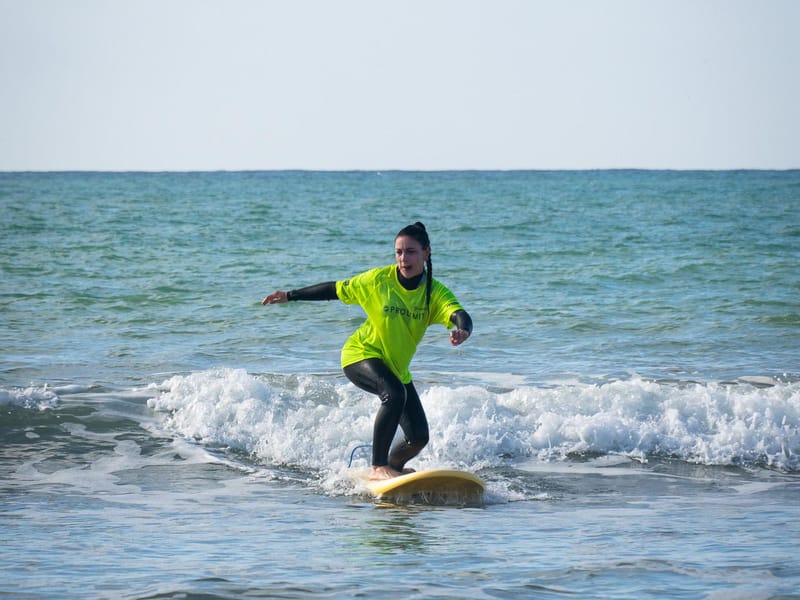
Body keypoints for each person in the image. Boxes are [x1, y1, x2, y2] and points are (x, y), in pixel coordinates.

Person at [262, 222, 473, 480]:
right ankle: (378, 466)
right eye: (398, 252)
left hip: (396, 368)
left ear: (426, 253)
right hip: (360, 355)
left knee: (418, 437)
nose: (403, 259)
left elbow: (459, 314)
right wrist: (289, 295)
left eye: (411, 252)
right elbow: (335, 289)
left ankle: (393, 467)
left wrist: (462, 331)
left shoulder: (433, 292)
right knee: (394, 395)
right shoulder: (378, 281)